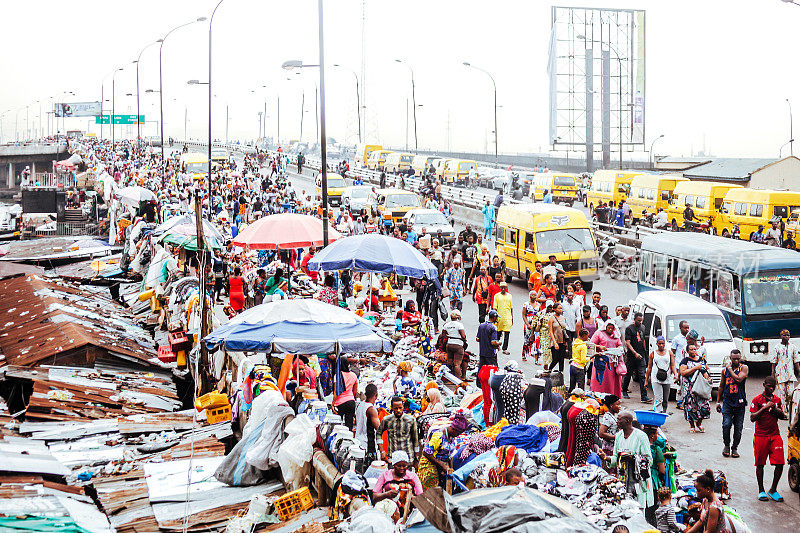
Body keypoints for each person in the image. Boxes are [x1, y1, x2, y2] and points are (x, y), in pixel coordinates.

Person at [750, 375, 787, 502]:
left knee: (780, 463)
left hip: (775, 435)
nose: (771, 389)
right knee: (760, 464)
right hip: (760, 436)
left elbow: (782, 416)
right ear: (764, 385)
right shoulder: (757, 399)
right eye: (769, 386)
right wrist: (764, 408)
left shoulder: (777, 400)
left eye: (773, 387)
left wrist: (775, 410)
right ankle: (761, 490)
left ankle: (773, 489)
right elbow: (752, 417)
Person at [610, 411, 654, 513]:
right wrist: (606, 458)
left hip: (637, 480)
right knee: (624, 508)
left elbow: (649, 460)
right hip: (623, 479)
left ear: (627, 421)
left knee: (637, 509)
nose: (617, 421)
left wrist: (633, 458)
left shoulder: (641, 436)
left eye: (619, 419)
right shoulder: (618, 436)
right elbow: (616, 457)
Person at [418, 413, 469, 490]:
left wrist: (451, 470)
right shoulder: (439, 435)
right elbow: (426, 452)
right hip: (429, 466)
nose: (458, 435)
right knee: (432, 493)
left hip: (440, 468)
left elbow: (451, 455)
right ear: (454, 429)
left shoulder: (451, 438)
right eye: (458, 433)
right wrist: (442, 465)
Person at [372, 451, 423, 520]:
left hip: (409, 513)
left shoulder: (412, 476)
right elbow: (374, 497)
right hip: (389, 514)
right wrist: (386, 494)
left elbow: (421, 498)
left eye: (404, 466)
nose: (402, 468)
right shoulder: (385, 475)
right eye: (399, 466)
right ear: (393, 465)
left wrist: (410, 497)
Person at [716, 349, 748, 458]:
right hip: (728, 402)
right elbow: (721, 386)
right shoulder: (725, 371)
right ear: (730, 358)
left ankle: (735, 448)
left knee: (738, 428)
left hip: (740, 403)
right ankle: (726, 445)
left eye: (738, 358)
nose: (736, 360)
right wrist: (717, 402)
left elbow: (738, 379)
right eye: (734, 358)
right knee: (726, 425)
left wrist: (730, 369)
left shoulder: (744, 368)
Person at [680, 344, 711, 433]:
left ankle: (699, 423)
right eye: (691, 349)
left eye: (694, 349)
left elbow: (707, 369)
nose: (693, 351)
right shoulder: (685, 361)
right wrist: (696, 368)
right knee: (690, 406)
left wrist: (707, 375)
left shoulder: (701, 360)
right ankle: (692, 425)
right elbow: (683, 372)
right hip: (690, 388)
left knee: (705, 407)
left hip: (701, 387)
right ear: (688, 351)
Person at [379, 396, 420, 463]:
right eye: (396, 408)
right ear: (391, 407)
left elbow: (415, 439)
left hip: (408, 458)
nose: (398, 410)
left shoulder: (411, 420)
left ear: (403, 406)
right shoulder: (387, 420)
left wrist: (416, 458)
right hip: (393, 459)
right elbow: (378, 433)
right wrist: (382, 451)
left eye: (400, 408)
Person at [589, 322, 625, 397]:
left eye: (612, 328)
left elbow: (619, 344)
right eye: (609, 328)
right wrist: (599, 347)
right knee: (601, 380)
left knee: (611, 381)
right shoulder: (599, 333)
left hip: (613, 361)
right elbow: (590, 345)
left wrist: (618, 348)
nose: (611, 330)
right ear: (605, 327)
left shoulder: (615, 335)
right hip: (601, 361)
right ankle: (598, 395)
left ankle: (612, 396)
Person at [622, 312, 650, 402]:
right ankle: (624, 390)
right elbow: (628, 343)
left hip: (641, 355)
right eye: (638, 320)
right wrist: (634, 353)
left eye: (641, 320)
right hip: (632, 356)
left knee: (642, 375)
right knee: (628, 374)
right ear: (634, 319)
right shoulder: (629, 329)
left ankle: (644, 396)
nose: (640, 322)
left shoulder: (643, 327)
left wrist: (645, 352)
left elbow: (643, 341)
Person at [646, 336, 678, 414]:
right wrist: (646, 380)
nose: (661, 345)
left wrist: (675, 374)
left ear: (665, 344)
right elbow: (649, 367)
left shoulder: (669, 353)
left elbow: (673, 365)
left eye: (662, 343)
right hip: (655, 378)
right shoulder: (653, 354)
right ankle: (657, 414)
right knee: (658, 399)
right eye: (659, 343)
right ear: (656, 344)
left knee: (665, 400)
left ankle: (663, 413)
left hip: (667, 378)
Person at [771, 328, 799, 408]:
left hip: (790, 374)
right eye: (784, 335)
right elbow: (774, 362)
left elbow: (796, 361)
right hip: (780, 374)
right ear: (781, 336)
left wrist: (799, 371)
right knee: (782, 394)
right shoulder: (777, 347)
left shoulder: (793, 347)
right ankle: (783, 412)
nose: (786, 337)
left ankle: (789, 409)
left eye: (788, 335)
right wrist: (773, 374)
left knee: (790, 393)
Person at [355, 383, 382, 463]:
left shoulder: (359, 405)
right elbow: (379, 428)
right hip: (368, 445)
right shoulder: (371, 409)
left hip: (358, 441)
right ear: (376, 395)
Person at [333, 358, 358, 430]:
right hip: (351, 401)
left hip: (340, 403)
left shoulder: (337, 376)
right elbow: (355, 391)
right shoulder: (354, 375)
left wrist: (333, 403)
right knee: (349, 425)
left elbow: (336, 392)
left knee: (338, 424)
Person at [442, 310, 468, 380]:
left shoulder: (446, 325)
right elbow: (463, 336)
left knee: (450, 362)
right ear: (458, 317)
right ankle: (457, 380)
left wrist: (450, 335)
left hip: (449, 344)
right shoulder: (459, 325)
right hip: (458, 345)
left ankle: (449, 378)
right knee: (457, 364)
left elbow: (443, 335)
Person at [492, 282, 513, 354]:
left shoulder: (510, 296)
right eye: (502, 287)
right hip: (499, 317)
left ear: (506, 288)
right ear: (500, 288)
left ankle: (504, 349)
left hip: (508, 317)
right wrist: (495, 317)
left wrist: (512, 318)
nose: (503, 289)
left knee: (507, 333)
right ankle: (497, 346)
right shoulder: (497, 296)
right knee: (498, 332)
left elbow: (511, 307)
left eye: (504, 287)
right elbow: (495, 308)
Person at [548, 302, 569, 373]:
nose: (561, 310)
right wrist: (555, 343)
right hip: (555, 341)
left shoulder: (563, 318)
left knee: (561, 359)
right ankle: (549, 369)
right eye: (559, 308)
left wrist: (565, 341)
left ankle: (561, 373)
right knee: (555, 358)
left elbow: (564, 329)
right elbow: (550, 331)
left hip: (562, 340)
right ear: (555, 309)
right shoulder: (551, 318)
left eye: (561, 308)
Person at [522, 290, 539, 363]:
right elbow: (523, 315)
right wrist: (527, 324)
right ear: (529, 296)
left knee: (537, 340)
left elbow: (539, 315)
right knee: (527, 340)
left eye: (535, 295)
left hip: (536, 325)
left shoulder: (538, 305)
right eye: (532, 295)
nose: (533, 297)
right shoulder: (526, 304)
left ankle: (536, 358)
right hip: (528, 324)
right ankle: (524, 354)